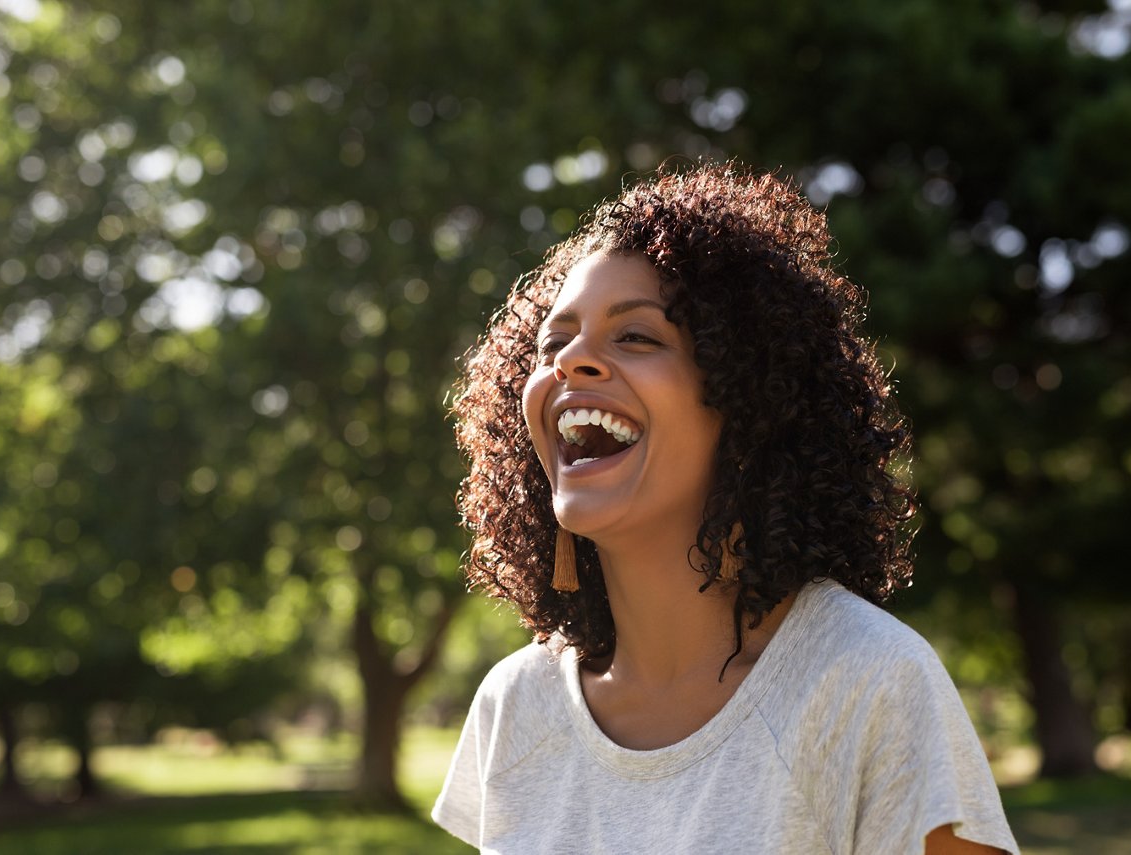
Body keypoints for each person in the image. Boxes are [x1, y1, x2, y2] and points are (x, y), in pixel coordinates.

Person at [434, 162, 1019, 854]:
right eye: (552, 343)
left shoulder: (868, 682)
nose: (570, 363)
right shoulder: (516, 705)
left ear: (747, 403)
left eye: (637, 336)